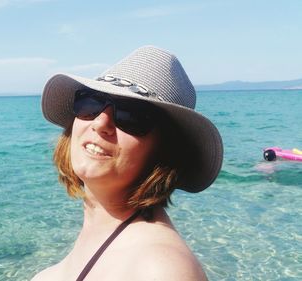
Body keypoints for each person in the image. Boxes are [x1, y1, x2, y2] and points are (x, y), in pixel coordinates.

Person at [32, 46, 223, 281]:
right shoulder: (118, 248)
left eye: (131, 116)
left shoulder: (160, 269)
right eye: (90, 103)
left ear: (164, 152)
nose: (101, 122)